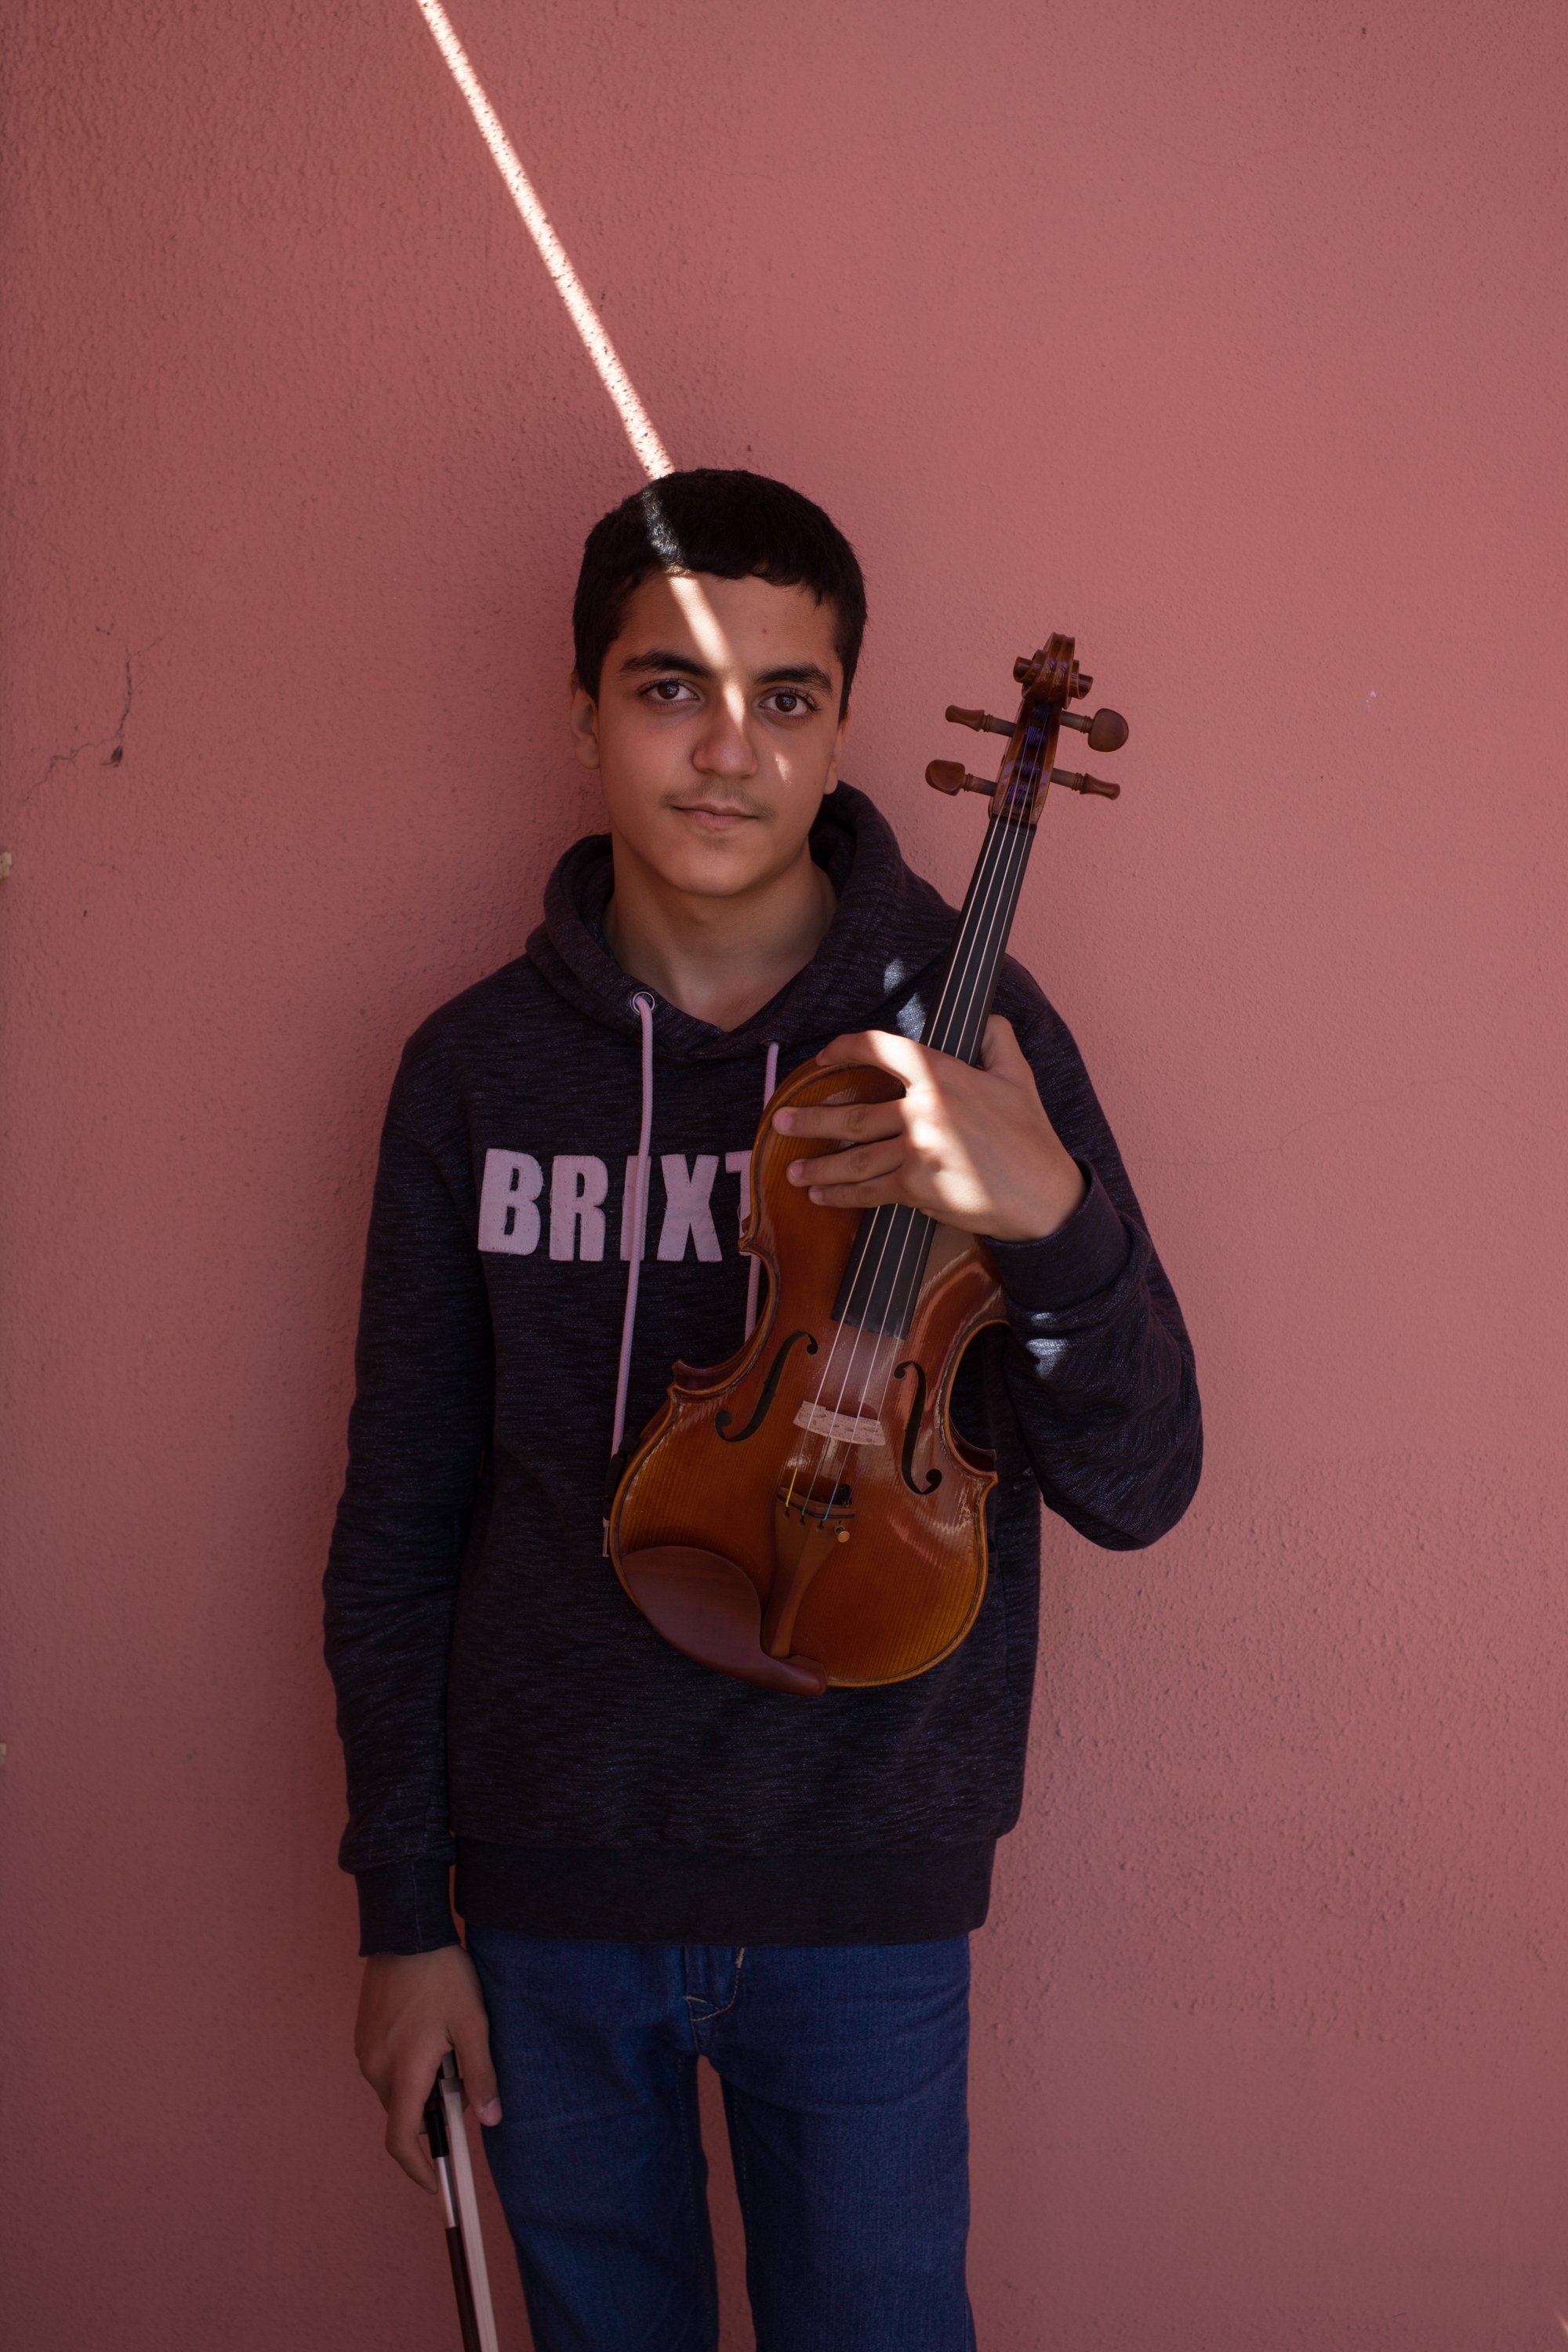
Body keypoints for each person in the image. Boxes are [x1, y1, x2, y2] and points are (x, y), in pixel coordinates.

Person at [325, 467, 1200, 2351]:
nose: (728, 754)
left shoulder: (968, 1034)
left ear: (844, 728)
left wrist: (1041, 1214)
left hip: (864, 1892)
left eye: (784, 699)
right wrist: (406, 1914)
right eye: (668, 690)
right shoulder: (471, 1072)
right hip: (544, 1901)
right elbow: (401, 1510)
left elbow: (1139, 1483)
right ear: (582, 715)